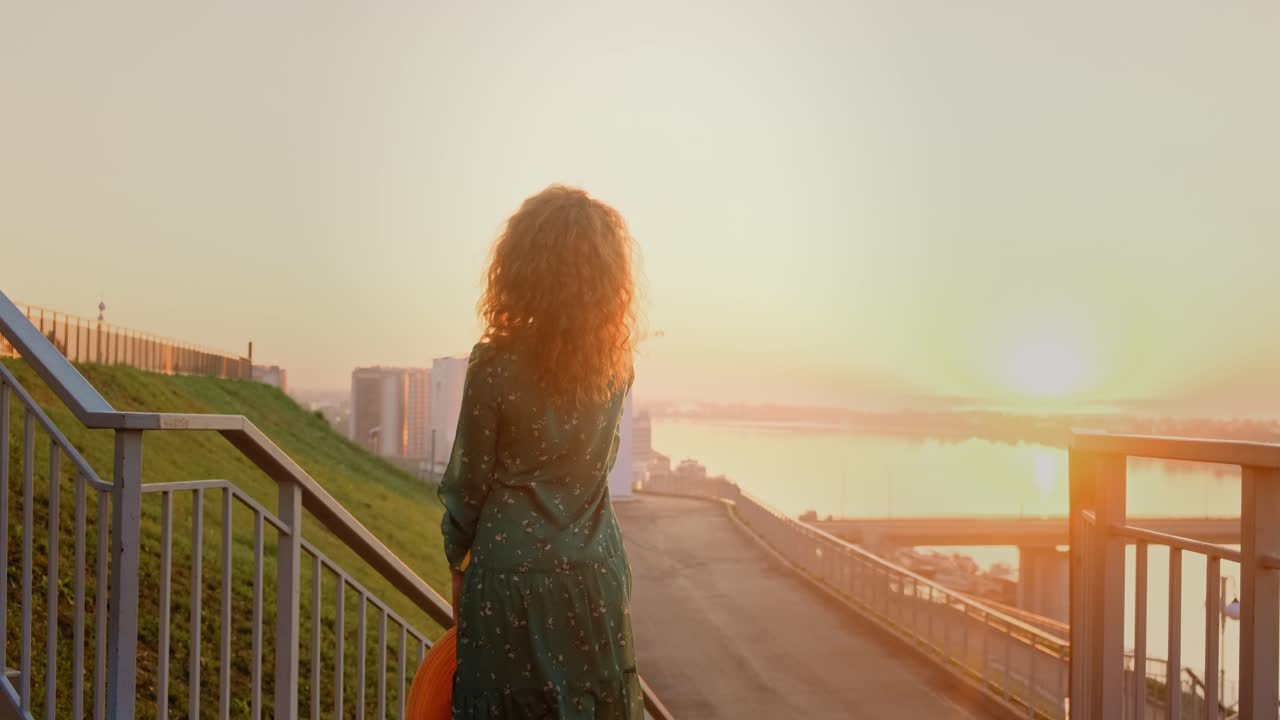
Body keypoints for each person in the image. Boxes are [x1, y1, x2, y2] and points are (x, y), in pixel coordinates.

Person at [438, 185, 642, 719]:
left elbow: (468, 487)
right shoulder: (615, 369)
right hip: (594, 575)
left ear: (521, 266)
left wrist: (457, 566)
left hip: (509, 582)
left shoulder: (495, 367)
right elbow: (598, 468)